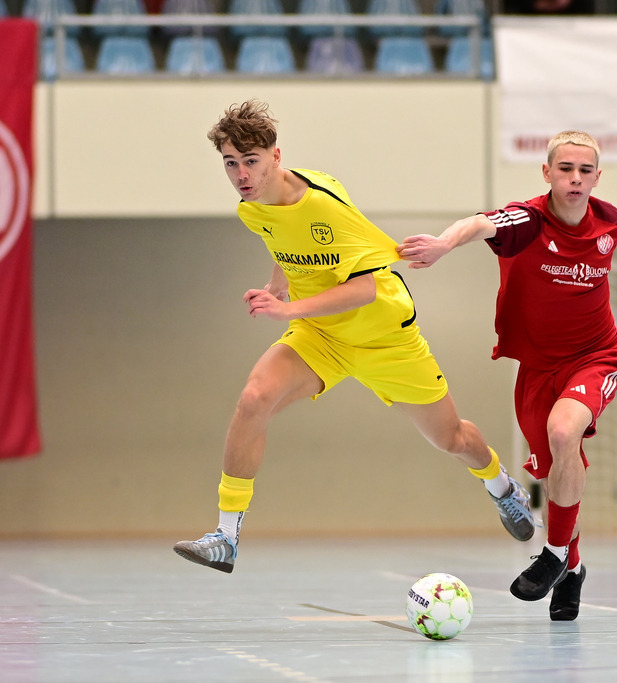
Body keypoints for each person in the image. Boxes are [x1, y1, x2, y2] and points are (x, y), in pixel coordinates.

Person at [173, 100, 535, 573]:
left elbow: (364, 288)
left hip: (387, 339)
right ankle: (226, 535)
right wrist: (278, 282)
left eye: (251, 161)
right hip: (321, 337)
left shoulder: (324, 207)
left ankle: (501, 487)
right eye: (230, 163)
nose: (241, 174)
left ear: (276, 157)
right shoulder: (252, 207)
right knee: (253, 400)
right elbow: (288, 243)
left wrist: (286, 308)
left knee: (452, 439)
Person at [397, 130, 617, 621]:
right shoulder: (527, 221)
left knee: (564, 431)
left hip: (595, 356)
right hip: (537, 368)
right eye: (565, 169)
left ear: (597, 178)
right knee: (555, 469)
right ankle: (574, 566)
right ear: (547, 173)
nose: (575, 179)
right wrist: (443, 243)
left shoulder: (610, 223)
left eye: (585, 171)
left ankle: (552, 554)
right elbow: (481, 223)